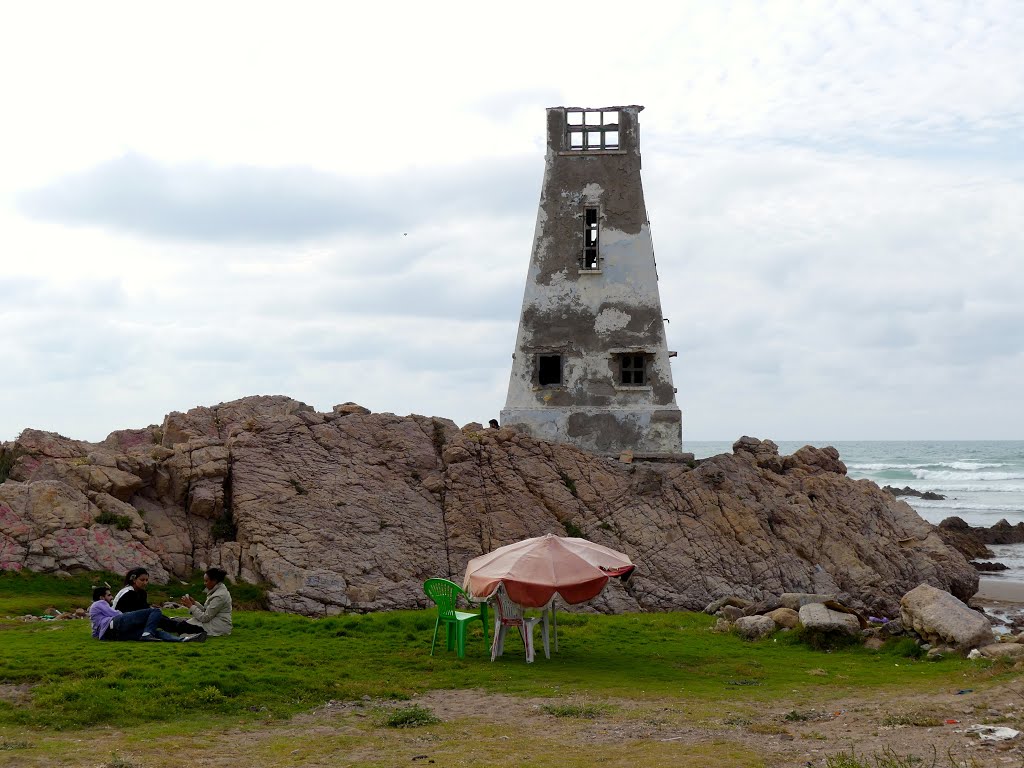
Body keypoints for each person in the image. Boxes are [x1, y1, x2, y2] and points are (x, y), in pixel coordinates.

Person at [113, 567, 205, 639]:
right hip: (122, 622)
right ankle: (185, 628)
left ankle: (184, 628)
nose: (145, 583)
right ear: (134, 580)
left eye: (146, 580)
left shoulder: (141, 593)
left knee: (159, 617)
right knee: (159, 618)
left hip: (133, 618)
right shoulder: (128, 593)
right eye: (142, 580)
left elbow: (144, 609)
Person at [88, 586, 202, 642]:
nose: (111, 597)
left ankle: (183, 640)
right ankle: (147, 633)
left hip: (113, 635)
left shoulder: (96, 612)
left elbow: (95, 632)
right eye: (108, 595)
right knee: (155, 611)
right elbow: (115, 613)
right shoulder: (99, 603)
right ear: (101, 597)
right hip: (114, 624)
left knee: (156, 632)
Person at [179, 567, 232, 637]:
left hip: (218, 626)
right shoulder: (216, 591)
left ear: (214, 581)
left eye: (206, 581)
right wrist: (194, 603)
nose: (204, 583)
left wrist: (191, 606)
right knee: (178, 622)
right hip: (213, 622)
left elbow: (205, 617)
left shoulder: (220, 596)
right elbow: (207, 611)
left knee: (181, 626)